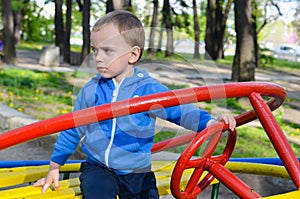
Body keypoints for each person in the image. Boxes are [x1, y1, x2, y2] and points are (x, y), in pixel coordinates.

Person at [33, 10, 236, 199]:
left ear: (133, 54)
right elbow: (72, 128)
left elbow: (180, 111)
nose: (98, 58)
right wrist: (54, 166)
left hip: (137, 171)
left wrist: (209, 122)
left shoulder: (149, 90)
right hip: (98, 167)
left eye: (107, 50)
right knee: (97, 193)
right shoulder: (91, 90)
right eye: (95, 50)